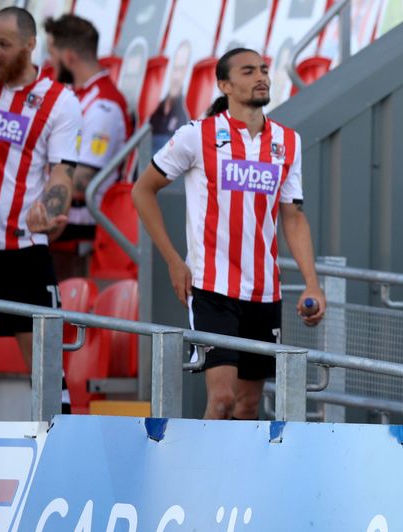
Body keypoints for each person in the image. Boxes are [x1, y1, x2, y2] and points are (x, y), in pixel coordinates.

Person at [132, 47, 326, 420]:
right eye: (248, 71)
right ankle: (205, 461)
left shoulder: (288, 141)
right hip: (212, 289)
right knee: (221, 400)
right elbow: (142, 190)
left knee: (248, 405)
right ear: (224, 85)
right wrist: (173, 260)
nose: (261, 77)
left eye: (264, 70)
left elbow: (293, 217)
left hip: (264, 292)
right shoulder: (196, 135)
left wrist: (312, 284)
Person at [0, 6, 82, 414]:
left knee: (44, 355)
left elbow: (62, 173)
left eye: (3, 45)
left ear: (30, 45)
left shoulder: (60, 101)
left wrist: (49, 209)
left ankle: (58, 439)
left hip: (22, 245)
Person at [44, 14, 132, 279]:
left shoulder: (104, 105)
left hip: (80, 221)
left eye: (52, 55)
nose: (49, 63)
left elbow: (83, 181)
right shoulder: (76, 95)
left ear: (69, 57)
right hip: (61, 214)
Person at [149, 39, 190, 152]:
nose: (176, 76)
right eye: (175, 68)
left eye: (181, 69)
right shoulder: (156, 106)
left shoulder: (184, 113)